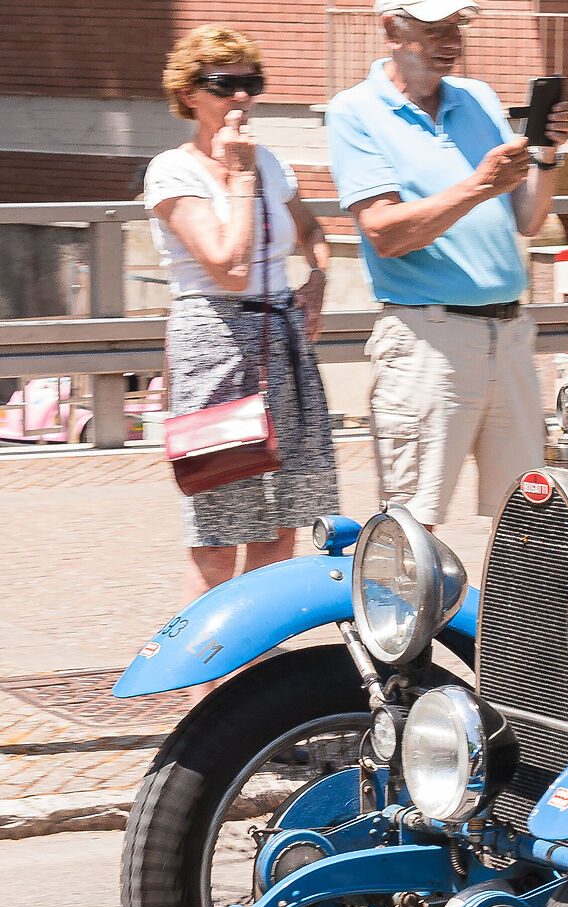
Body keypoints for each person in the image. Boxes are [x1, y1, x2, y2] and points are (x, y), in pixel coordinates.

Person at [326, 0, 568, 530]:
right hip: (427, 341)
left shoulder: (479, 97)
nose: (451, 42)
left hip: (509, 336)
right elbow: (383, 233)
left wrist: (547, 156)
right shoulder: (354, 111)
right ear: (391, 29)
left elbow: (528, 220)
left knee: (533, 521)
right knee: (413, 528)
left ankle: (515, 617)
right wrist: (478, 186)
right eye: (435, 28)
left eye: (457, 26)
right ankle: (408, 617)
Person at [145, 25, 337, 601]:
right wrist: (241, 176)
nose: (242, 98)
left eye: (251, 83)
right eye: (225, 84)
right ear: (190, 94)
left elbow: (311, 228)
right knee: (221, 533)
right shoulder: (172, 171)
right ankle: (208, 685)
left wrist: (318, 280)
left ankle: (260, 678)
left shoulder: (270, 162)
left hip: (281, 339)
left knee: (281, 527)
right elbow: (227, 266)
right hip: (215, 346)